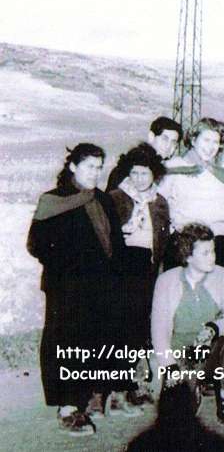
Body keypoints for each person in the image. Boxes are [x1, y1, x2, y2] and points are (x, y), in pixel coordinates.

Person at [27, 143, 132, 436]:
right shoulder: (53, 200)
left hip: (101, 285)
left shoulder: (102, 199)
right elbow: (35, 244)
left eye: (100, 168)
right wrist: (73, 266)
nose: (96, 173)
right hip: (67, 287)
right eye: (89, 167)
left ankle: (93, 395)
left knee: (95, 340)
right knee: (67, 343)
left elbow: (114, 243)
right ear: (73, 166)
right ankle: (68, 407)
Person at [150, 223, 224, 431]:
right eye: (205, 253)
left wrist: (214, 327)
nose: (212, 257)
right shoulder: (166, 281)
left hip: (211, 351)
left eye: (212, 250)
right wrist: (171, 368)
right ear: (188, 256)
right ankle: (193, 386)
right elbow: (159, 332)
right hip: (182, 355)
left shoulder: (222, 276)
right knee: (179, 420)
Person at [108, 144, 171, 405]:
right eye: (134, 173)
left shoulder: (159, 201)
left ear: (154, 175)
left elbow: (164, 239)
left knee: (139, 326)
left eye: (144, 173)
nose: (139, 179)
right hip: (123, 266)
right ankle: (116, 387)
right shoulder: (115, 197)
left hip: (148, 267)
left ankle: (136, 383)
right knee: (121, 325)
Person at [158, 118, 224, 269]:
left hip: (216, 245)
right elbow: (157, 205)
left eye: (215, 142)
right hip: (182, 245)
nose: (210, 147)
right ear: (193, 140)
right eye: (206, 140)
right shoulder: (174, 167)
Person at [106, 116, 182, 192]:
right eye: (164, 139)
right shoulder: (135, 164)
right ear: (151, 137)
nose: (168, 146)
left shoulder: (155, 166)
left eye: (173, 142)